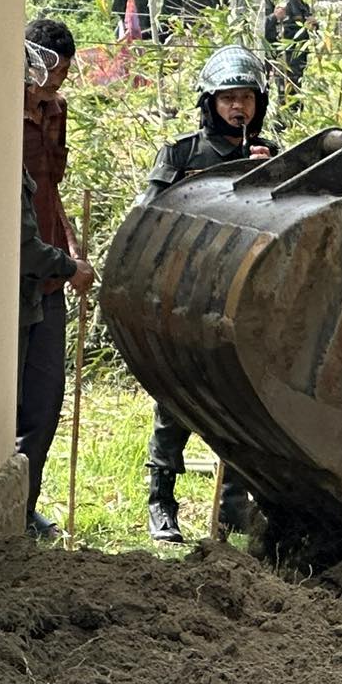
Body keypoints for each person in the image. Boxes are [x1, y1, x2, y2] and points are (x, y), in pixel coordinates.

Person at [136, 46, 280, 541]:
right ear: (210, 103)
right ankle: (161, 503)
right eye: (227, 99)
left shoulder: (272, 154)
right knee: (174, 401)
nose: (238, 107)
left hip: (239, 298)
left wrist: (269, 175)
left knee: (240, 402)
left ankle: (233, 505)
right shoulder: (180, 154)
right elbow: (146, 219)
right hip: (182, 292)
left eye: (246, 98)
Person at [18, 30, 95, 541]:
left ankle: (26, 506)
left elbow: (50, 190)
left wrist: (67, 249)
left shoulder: (56, 111)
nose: (58, 78)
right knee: (11, 401)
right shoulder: (3, 111)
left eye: (65, 69)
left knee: (45, 402)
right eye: (54, 67)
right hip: (17, 275)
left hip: (50, 270)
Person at [271, 0, 313, 92]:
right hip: (288, 59)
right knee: (288, 94)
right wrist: (305, 27)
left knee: (297, 92)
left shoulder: (304, 6)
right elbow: (284, 34)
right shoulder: (285, 6)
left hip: (300, 57)